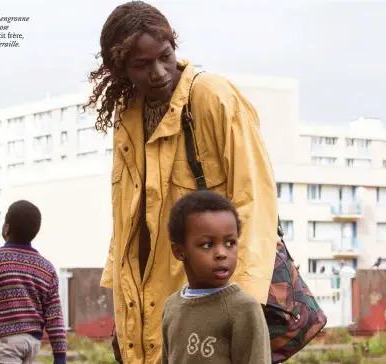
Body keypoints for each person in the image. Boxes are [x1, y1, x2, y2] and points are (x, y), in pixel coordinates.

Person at [86, 1, 278, 363]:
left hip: (212, 304)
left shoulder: (213, 97)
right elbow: (125, 222)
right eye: (141, 65)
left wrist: (246, 303)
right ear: (120, 69)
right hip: (150, 311)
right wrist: (122, 318)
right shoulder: (126, 119)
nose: (158, 72)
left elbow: (255, 200)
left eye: (165, 56)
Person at [162, 191, 271, 364]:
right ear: (179, 252)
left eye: (230, 243)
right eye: (207, 245)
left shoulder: (244, 308)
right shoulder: (171, 307)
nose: (222, 253)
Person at [0, 200, 67, 364]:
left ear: (6, 228)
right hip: (32, 343)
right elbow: (54, 317)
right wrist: (60, 357)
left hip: (4, 343)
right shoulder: (46, 268)